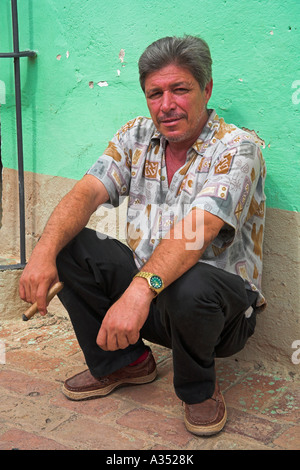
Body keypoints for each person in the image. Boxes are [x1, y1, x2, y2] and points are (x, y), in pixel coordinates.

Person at [19, 35, 267, 436]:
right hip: (150, 299)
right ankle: (124, 363)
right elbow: (85, 192)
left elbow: (198, 230)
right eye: (155, 93)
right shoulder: (136, 136)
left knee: (193, 282)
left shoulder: (238, 149)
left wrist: (136, 293)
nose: (166, 104)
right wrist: (43, 253)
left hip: (219, 316)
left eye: (180, 89)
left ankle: (198, 389)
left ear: (206, 89)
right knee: (69, 244)